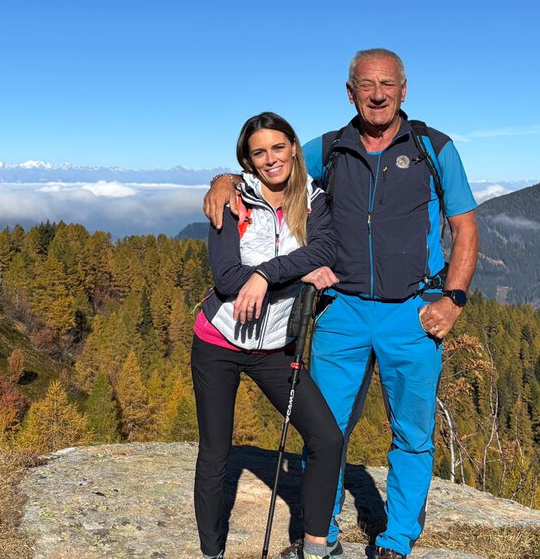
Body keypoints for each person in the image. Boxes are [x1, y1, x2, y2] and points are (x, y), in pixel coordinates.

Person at [202, 49, 480, 558]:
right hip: (340, 311)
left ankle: (397, 540)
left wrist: (454, 300)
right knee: (325, 433)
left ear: (404, 89)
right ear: (349, 91)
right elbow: (269, 166)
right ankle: (320, 538)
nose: (378, 94)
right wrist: (223, 182)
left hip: (413, 311)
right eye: (367, 85)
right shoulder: (329, 149)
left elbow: (464, 227)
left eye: (388, 84)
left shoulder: (434, 148)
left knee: (412, 435)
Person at [192, 112, 345, 559]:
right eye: (259, 152)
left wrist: (261, 276)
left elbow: (325, 249)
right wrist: (289, 275)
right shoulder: (231, 200)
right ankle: (211, 554)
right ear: (248, 159)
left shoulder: (314, 199)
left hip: (275, 347)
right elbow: (225, 279)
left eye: (278, 147)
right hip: (218, 343)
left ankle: (317, 546)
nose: (270, 158)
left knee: (327, 439)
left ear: (294, 147)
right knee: (216, 454)